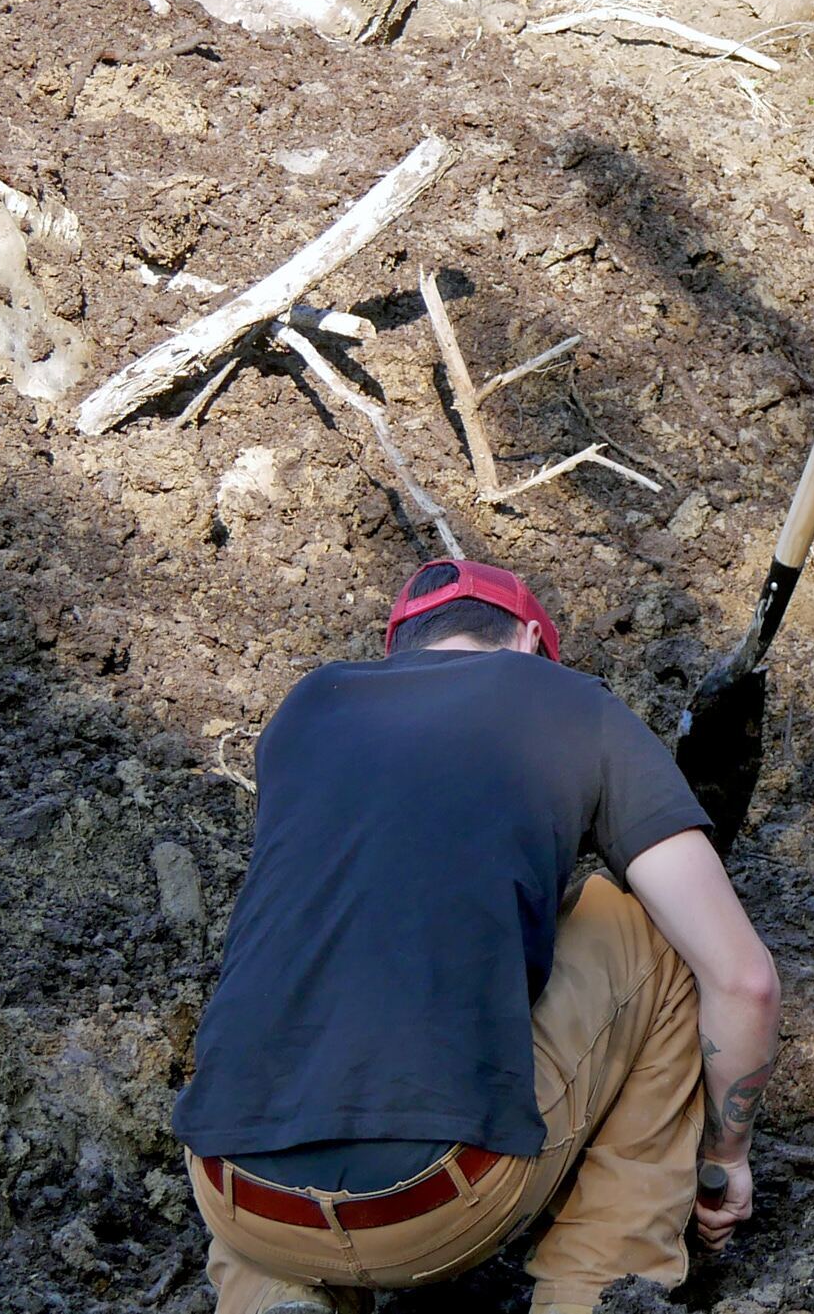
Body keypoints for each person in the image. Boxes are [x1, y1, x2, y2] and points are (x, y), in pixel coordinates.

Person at [169, 561, 780, 1314]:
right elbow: (743, 978)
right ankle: (599, 1287)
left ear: (401, 651)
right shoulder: (565, 702)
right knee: (655, 935)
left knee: (303, 997)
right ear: (528, 642)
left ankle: (275, 1291)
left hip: (238, 1196)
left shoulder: (306, 710)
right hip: (432, 1200)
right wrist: (726, 1156)